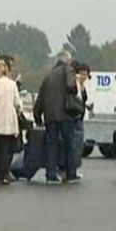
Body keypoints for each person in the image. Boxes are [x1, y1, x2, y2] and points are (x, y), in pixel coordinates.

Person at [33, 51, 79, 185]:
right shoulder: (68, 69)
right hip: (65, 114)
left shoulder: (48, 75)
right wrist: (75, 89)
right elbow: (71, 86)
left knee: (51, 145)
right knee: (68, 145)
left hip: (50, 116)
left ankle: (51, 175)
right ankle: (70, 174)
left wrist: (37, 116)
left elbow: (40, 98)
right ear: (67, 60)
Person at [71, 61, 91, 163]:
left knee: (78, 145)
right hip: (75, 117)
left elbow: (81, 100)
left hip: (81, 116)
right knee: (75, 144)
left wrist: (86, 106)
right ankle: (72, 168)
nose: (83, 76)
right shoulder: (76, 85)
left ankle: (75, 167)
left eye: (85, 74)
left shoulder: (83, 87)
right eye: (81, 74)